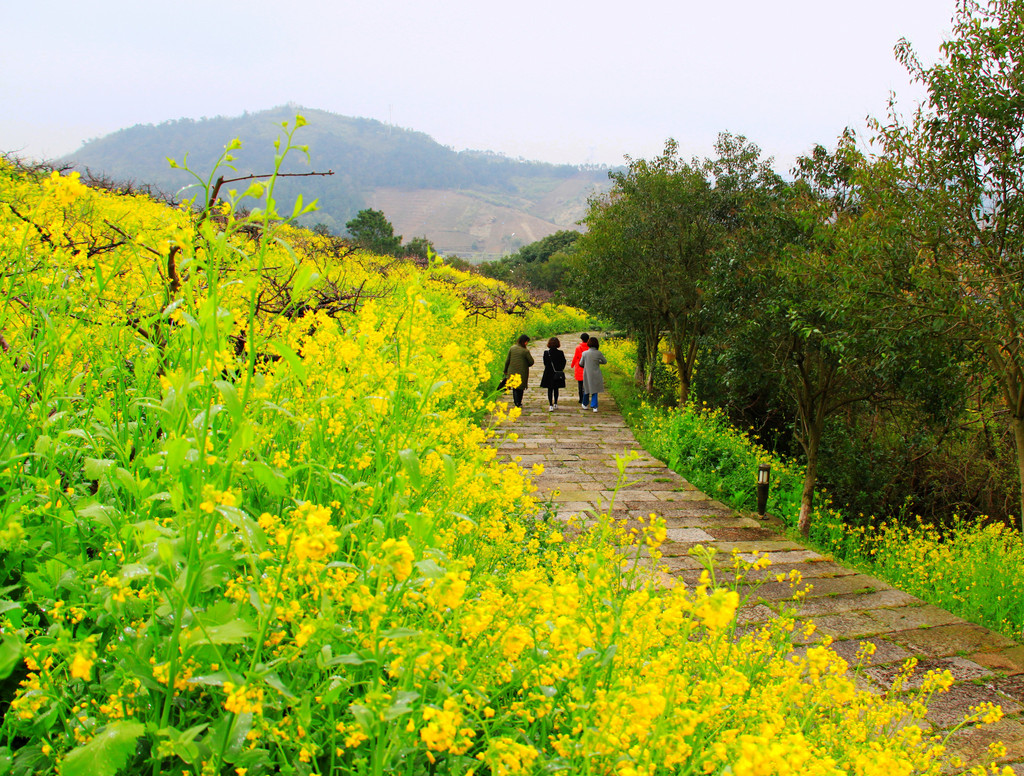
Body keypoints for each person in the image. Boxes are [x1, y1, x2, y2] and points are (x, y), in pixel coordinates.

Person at [502, 334, 534, 408]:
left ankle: (516, 402)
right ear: (524, 342)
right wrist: (525, 365)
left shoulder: (512, 348)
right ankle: (519, 402)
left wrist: (505, 370)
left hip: (511, 371)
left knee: (515, 387)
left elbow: (507, 361)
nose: (527, 343)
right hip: (522, 372)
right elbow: (531, 362)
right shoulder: (525, 351)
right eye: (526, 342)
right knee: (520, 387)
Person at [578, 336, 607, 413]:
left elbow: (581, 363)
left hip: (587, 373)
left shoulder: (585, 353)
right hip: (596, 373)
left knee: (586, 389)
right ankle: (594, 406)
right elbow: (604, 361)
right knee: (595, 390)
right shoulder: (598, 353)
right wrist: (597, 362)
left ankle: (585, 404)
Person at [539, 337, 567, 411]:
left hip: (548, 373)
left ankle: (550, 405)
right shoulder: (560, 352)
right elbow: (564, 362)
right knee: (556, 389)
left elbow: (545, 363)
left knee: (550, 389)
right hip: (557, 373)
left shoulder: (546, 353)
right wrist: (560, 369)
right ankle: (556, 403)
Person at [570, 333, 590, 407]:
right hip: (588, 367)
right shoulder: (590, 347)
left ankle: (581, 398)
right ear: (588, 339)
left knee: (580, 384)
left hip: (579, 367)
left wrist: (572, 365)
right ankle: (586, 398)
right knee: (587, 385)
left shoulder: (578, 347)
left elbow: (575, 357)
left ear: (581, 339)